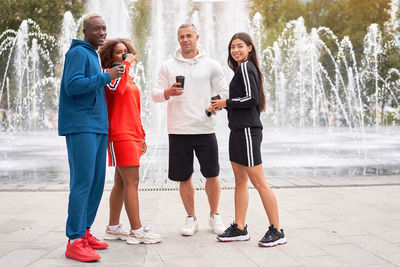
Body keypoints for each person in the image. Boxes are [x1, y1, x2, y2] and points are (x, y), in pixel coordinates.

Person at [58, 13, 125, 262]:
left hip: (97, 126)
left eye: (104, 28)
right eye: (96, 29)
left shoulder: (93, 55)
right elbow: (72, 86)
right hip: (81, 126)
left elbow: (92, 86)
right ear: (85, 31)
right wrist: (107, 76)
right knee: (83, 182)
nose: (102, 32)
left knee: (96, 182)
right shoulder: (78, 52)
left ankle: (85, 232)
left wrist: (106, 76)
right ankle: (74, 240)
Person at [211, 32, 287, 247]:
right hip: (238, 131)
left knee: (259, 183)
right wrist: (221, 103)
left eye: (240, 46)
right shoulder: (242, 69)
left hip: (247, 131)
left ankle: (277, 230)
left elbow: (250, 99)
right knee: (240, 181)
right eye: (232, 47)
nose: (235, 50)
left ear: (250, 48)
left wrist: (226, 102)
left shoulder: (245, 67)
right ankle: (240, 227)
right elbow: (244, 98)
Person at [152, 23, 228, 236]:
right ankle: (191, 218)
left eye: (189, 36)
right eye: (181, 36)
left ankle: (215, 215)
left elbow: (224, 93)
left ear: (197, 37)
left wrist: (214, 107)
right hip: (178, 130)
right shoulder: (167, 66)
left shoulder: (211, 65)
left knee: (212, 175)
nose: (185, 39)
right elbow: (155, 94)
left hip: (205, 128)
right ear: (178, 39)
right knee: (184, 177)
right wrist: (167, 92)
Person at [99, 38, 162, 245]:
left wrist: (142, 135)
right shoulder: (110, 76)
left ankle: (113, 227)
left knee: (121, 183)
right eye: (119, 52)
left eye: (126, 52)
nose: (124, 55)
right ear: (110, 57)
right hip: (119, 135)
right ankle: (137, 231)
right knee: (132, 182)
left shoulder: (129, 78)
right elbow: (115, 90)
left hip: (132, 134)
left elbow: (134, 109)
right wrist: (125, 65)